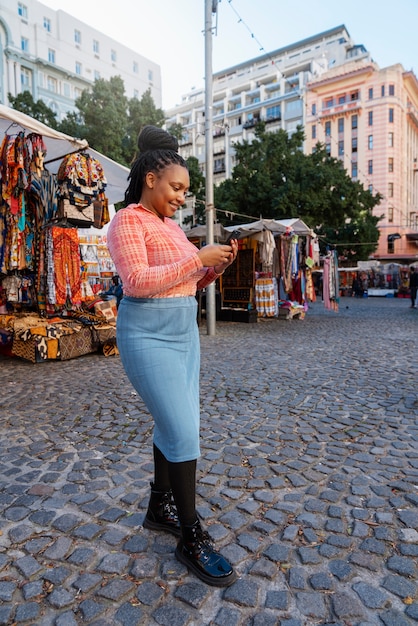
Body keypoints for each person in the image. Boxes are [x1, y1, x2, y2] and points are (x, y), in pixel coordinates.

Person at [106, 125, 238, 587]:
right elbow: (139, 282)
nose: (182, 197)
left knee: (176, 422)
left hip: (184, 331)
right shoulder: (126, 221)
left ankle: (158, 505)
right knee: (183, 430)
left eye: (186, 191)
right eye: (176, 188)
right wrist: (197, 258)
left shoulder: (173, 227)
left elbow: (183, 281)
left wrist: (212, 270)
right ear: (150, 180)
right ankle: (189, 533)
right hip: (146, 332)